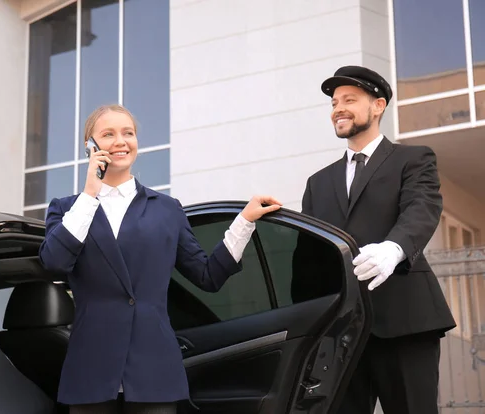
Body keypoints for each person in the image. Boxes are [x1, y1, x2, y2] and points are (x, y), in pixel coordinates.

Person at [38, 104, 282, 414]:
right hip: (91, 365)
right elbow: (55, 262)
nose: (121, 141)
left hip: (153, 368)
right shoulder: (66, 208)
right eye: (108, 134)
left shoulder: (166, 209)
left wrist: (244, 221)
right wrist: (89, 193)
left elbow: (207, 276)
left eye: (129, 133)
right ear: (90, 145)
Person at [298, 65, 456, 414]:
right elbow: (309, 258)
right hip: (342, 335)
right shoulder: (318, 183)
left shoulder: (413, 159)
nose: (338, 108)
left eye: (349, 99)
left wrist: (394, 247)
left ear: (378, 105)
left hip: (406, 321)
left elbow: (422, 208)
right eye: (334, 102)